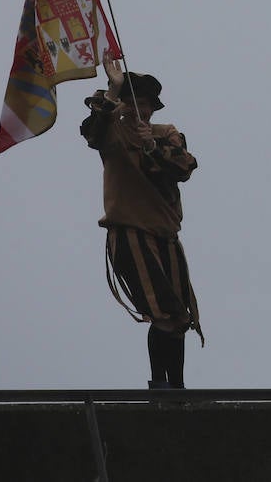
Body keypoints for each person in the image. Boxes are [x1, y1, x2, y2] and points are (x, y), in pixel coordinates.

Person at [81, 57, 202, 389]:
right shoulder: (112, 132)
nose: (140, 111)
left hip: (166, 236)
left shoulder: (167, 134)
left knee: (178, 317)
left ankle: (174, 389)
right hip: (130, 231)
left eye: (146, 105)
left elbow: (185, 167)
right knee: (163, 312)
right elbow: (93, 133)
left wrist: (151, 145)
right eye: (133, 102)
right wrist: (112, 88)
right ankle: (161, 387)